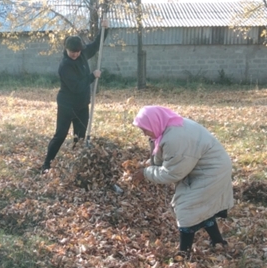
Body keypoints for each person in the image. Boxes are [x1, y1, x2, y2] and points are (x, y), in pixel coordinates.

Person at [131, 106, 234, 254]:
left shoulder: (175, 138)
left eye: (145, 129)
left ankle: (184, 253)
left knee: (186, 208)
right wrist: (149, 163)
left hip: (211, 172)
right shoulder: (168, 127)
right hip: (201, 168)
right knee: (202, 207)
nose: (144, 133)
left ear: (155, 122)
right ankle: (218, 241)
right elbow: (166, 158)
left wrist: (146, 173)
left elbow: (172, 173)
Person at [42, 19, 110, 172]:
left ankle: (76, 165)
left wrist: (105, 28)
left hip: (82, 105)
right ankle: (46, 164)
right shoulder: (65, 66)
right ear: (66, 49)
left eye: (77, 52)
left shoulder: (82, 54)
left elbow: (96, 44)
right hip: (67, 106)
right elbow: (77, 87)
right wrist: (92, 76)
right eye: (72, 52)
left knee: (79, 137)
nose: (75, 54)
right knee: (60, 135)